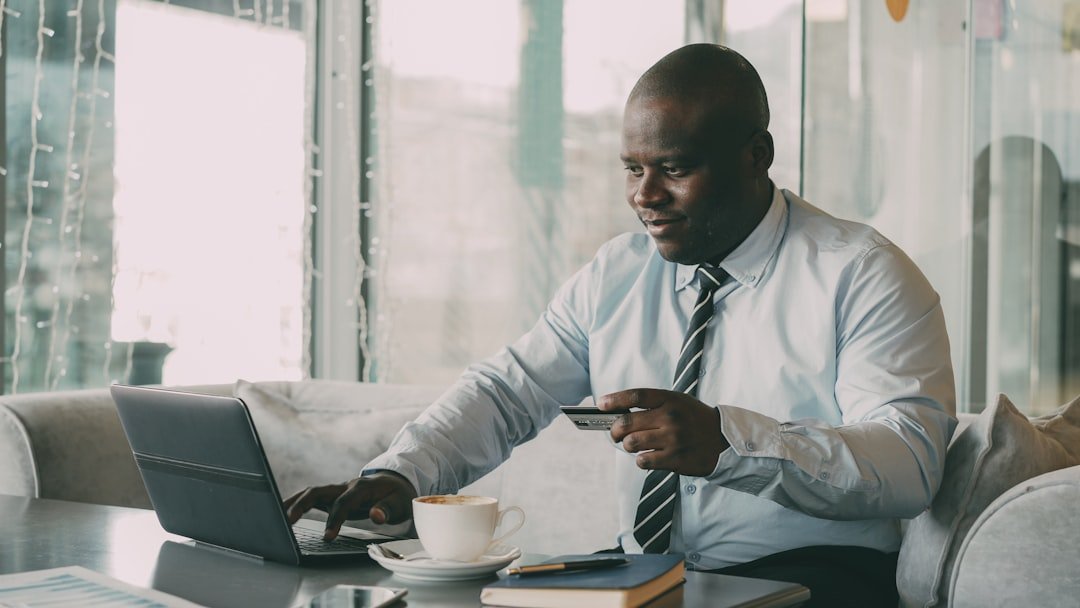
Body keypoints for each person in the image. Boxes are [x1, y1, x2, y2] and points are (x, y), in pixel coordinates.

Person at [284, 43, 956, 606]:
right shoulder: (620, 271)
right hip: (646, 574)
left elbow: (909, 464)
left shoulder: (862, 274)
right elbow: (509, 389)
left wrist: (728, 440)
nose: (644, 196)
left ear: (757, 155)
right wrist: (404, 474)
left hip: (811, 580)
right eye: (633, 169)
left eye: (673, 169)